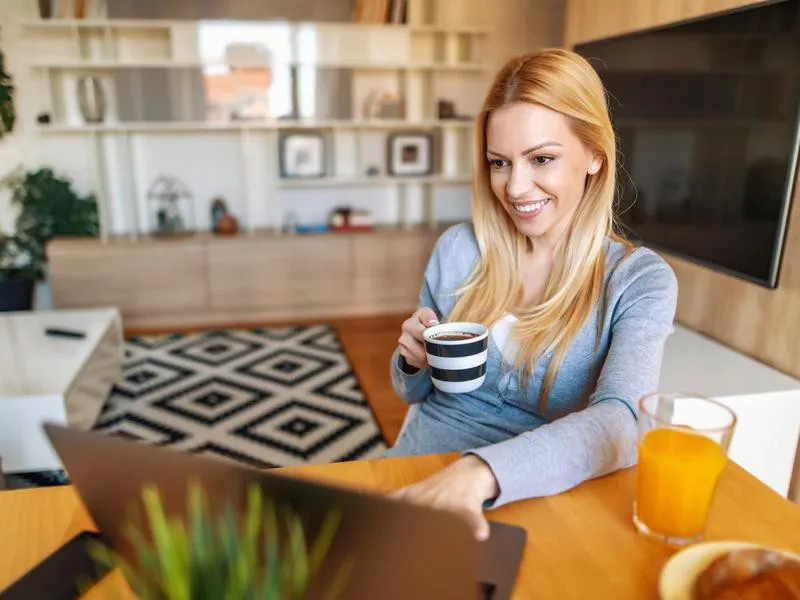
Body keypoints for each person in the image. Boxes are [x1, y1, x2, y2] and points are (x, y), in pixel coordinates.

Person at [385, 48, 678, 540]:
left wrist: (476, 473)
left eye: (541, 158)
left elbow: (620, 426)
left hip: (530, 500)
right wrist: (412, 363)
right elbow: (412, 394)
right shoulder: (459, 250)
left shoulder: (637, 281)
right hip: (414, 472)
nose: (516, 187)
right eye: (499, 163)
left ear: (594, 155)